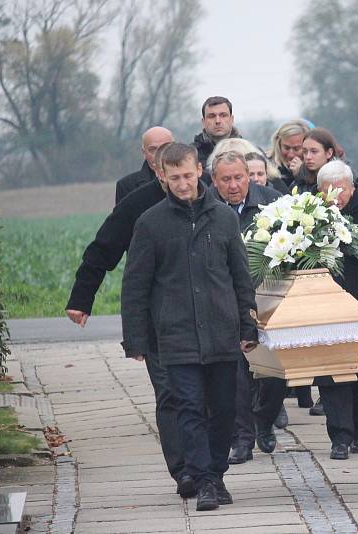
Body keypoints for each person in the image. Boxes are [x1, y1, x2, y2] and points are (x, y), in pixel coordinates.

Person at [121, 143, 258, 512]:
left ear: (200, 171)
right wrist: (135, 338)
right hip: (176, 335)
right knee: (190, 409)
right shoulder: (150, 223)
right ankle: (205, 480)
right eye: (174, 177)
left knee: (224, 409)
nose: (182, 184)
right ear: (162, 176)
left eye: (187, 175)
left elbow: (240, 276)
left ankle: (216, 471)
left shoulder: (224, 219)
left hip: (221, 332)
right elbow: (135, 285)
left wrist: (248, 324)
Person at [65, 140, 195, 499]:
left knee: (204, 399)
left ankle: (206, 469)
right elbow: (104, 248)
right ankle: (183, 470)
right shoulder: (139, 206)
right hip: (160, 321)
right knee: (170, 393)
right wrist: (81, 297)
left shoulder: (206, 200)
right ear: (155, 166)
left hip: (205, 320)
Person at [205, 150, 289, 464]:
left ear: (249, 175)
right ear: (214, 181)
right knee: (237, 376)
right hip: (226, 302)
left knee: (274, 373)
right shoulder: (207, 209)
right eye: (225, 179)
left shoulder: (272, 202)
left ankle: (264, 418)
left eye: (239, 177)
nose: (233, 185)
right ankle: (242, 439)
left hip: (267, 298)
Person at [314, 161, 358, 461]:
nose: (336, 196)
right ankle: (339, 436)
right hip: (327, 305)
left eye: (341, 189)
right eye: (328, 191)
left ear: (352, 187)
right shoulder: (311, 214)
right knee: (330, 372)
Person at [115, 126, 174, 204]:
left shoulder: (190, 179)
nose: (160, 154)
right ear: (144, 153)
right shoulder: (126, 186)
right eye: (153, 149)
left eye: (165, 148)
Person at [193, 96, 241, 165]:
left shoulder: (247, 151)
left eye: (223, 115)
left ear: (232, 120)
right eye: (211, 116)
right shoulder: (191, 155)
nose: (218, 121)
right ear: (203, 122)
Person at [293, 127, 341, 194]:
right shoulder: (299, 183)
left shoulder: (344, 179)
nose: (308, 157)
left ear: (329, 153)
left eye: (314, 151)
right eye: (305, 151)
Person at [267, 119, 312, 186]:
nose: (291, 154)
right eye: (286, 148)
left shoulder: (315, 167)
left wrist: (302, 173)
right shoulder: (267, 167)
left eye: (296, 149)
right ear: (278, 144)